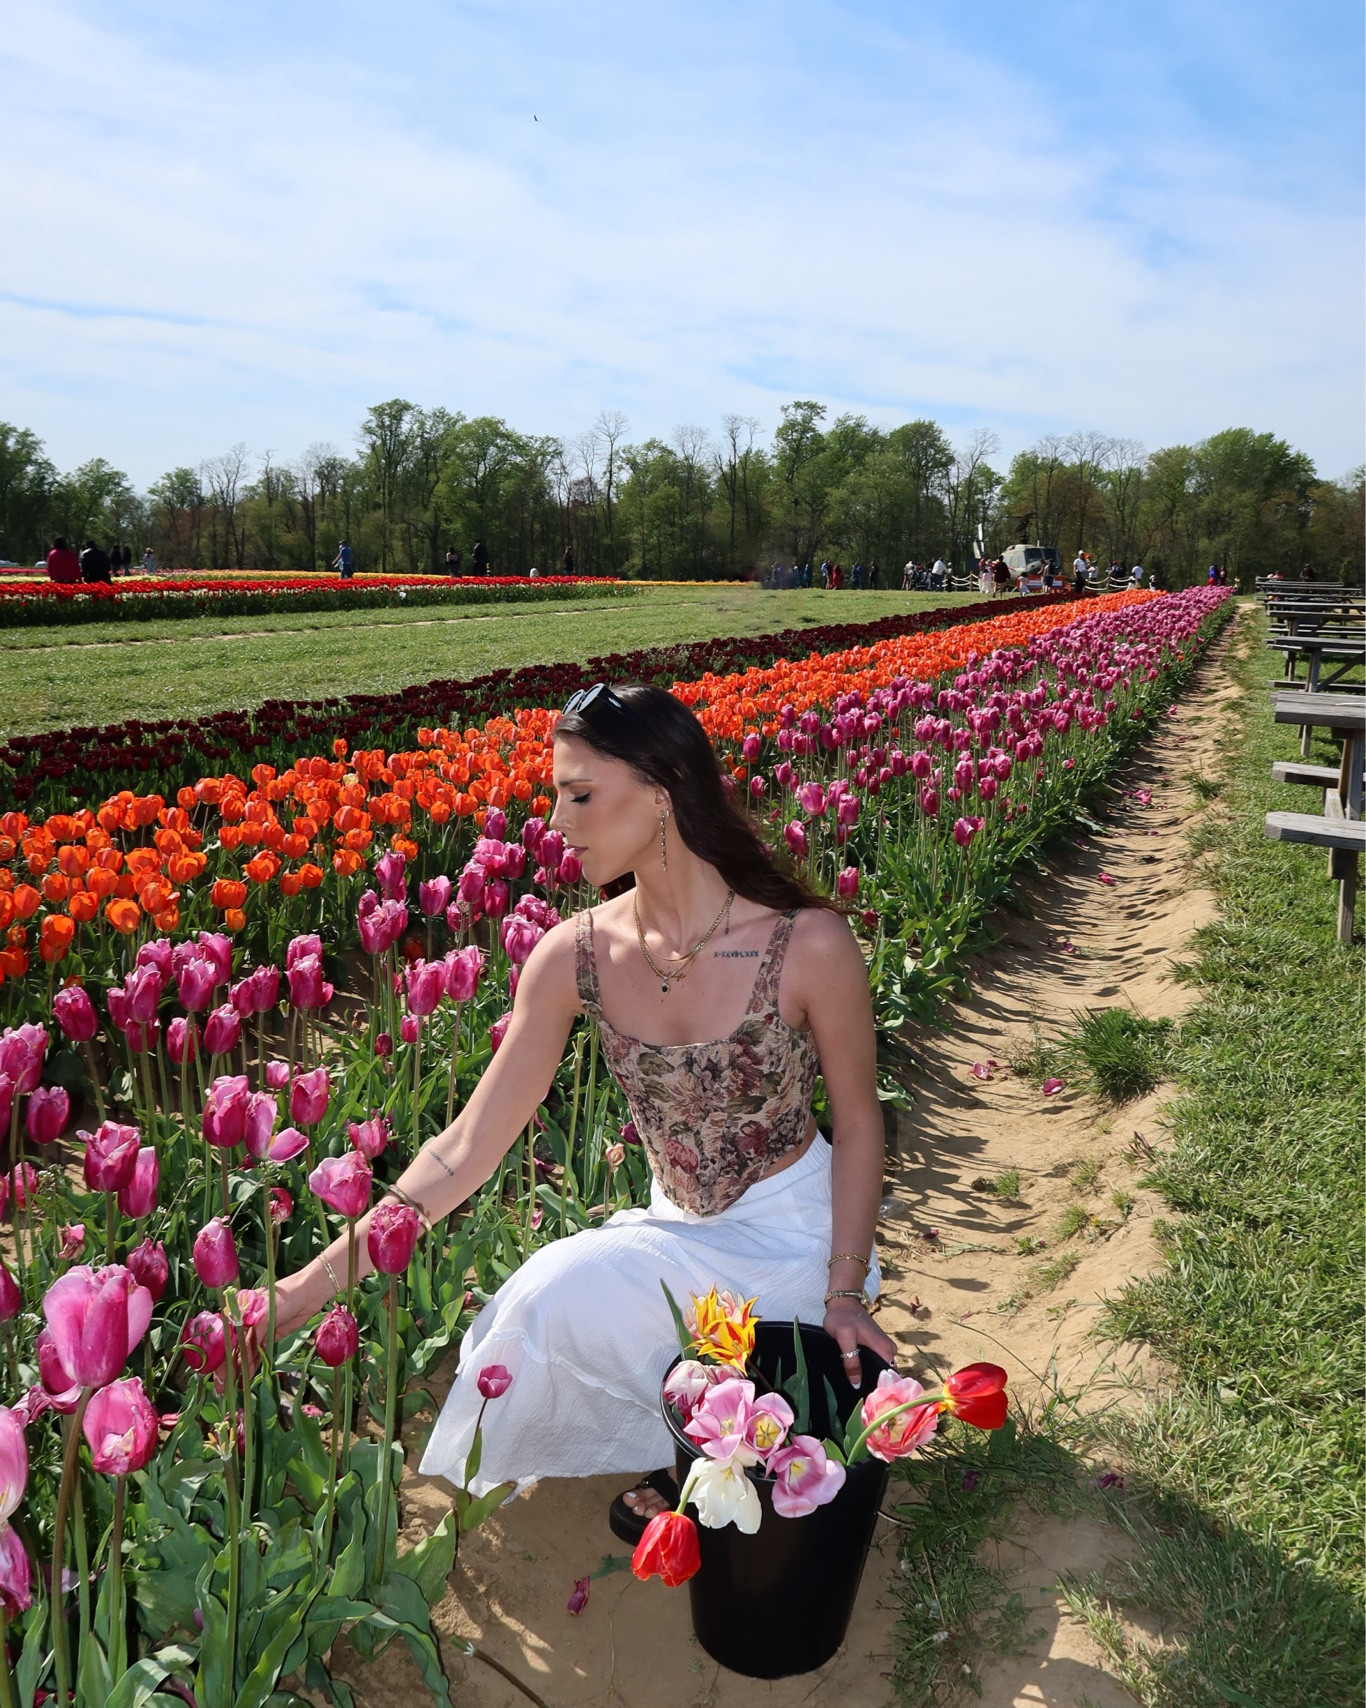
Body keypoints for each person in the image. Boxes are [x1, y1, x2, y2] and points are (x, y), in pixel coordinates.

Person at [273, 683, 895, 1532]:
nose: (558, 821)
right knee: (548, 1296)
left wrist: (847, 1288)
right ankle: (704, 1437)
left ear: (662, 792)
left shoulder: (805, 942)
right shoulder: (575, 957)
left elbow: (859, 1122)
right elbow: (466, 1149)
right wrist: (299, 1294)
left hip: (799, 1240)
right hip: (676, 1239)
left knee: (784, 1421)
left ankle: (716, 1435)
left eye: (579, 793)